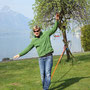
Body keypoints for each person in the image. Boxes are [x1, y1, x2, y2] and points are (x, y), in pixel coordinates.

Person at [13, 14, 59, 90]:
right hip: (41, 59)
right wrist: (19, 54)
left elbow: (54, 29)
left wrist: (57, 20)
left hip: (48, 57)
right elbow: (28, 48)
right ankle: (45, 87)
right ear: (33, 32)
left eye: (37, 31)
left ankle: (45, 89)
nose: (36, 32)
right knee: (42, 75)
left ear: (40, 30)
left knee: (47, 74)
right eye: (35, 31)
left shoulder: (46, 34)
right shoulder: (33, 40)